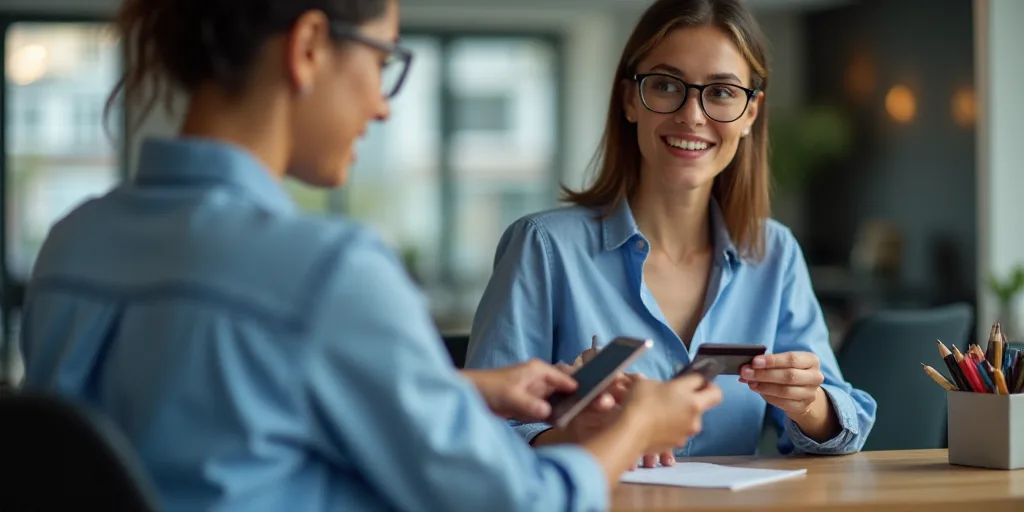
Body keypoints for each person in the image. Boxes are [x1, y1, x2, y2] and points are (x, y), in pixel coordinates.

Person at [18, 0, 725, 510]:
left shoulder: (75, 242)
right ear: (309, 48)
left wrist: (468, 389)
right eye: (384, 61)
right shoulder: (325, 272)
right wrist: (640, 425)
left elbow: (209, 413)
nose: (384, 106)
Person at [465, 0, 877, 467]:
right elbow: (478, 431)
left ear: (750, 114)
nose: (692, 115)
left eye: (721, 92)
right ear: (629, 99)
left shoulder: (774, 252)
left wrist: (807, 404)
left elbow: (847, 425)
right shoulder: (543, 247)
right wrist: (581, 436)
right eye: (665, 85)